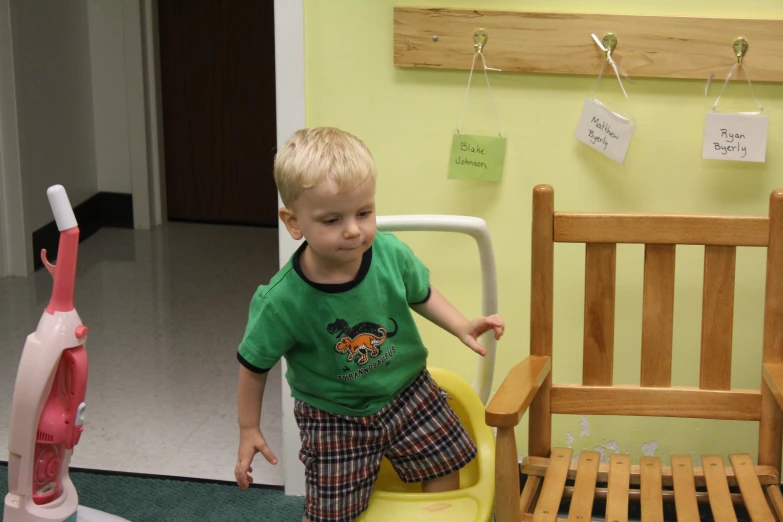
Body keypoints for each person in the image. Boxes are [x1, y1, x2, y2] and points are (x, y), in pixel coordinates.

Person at [234, 127, 504, 522]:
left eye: (364, 213)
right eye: (332, 219)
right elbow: (253, 366)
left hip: (408, 392)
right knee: (331, 513)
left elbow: (422, 293)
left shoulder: (391, 254)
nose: (353, 230)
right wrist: (248, 428)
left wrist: (461, 325)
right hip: (332, 415)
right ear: (294, 222)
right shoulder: (280, 302)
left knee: (447, 462)